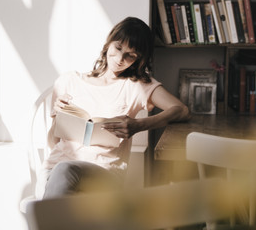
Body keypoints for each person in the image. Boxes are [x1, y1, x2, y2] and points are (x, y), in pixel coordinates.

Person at [41, 17, 190, 199]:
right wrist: (58, 118)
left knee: (64, 174)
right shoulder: (68, 81)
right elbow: (52, 142)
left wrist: (139, 125)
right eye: (118, 48)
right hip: (55, 171)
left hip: (102, 175)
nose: (120, 59)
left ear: (139, 60)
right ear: (109, 42)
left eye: (131, 55)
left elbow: (181, 110)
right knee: (63, 173)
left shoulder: (135, 86)